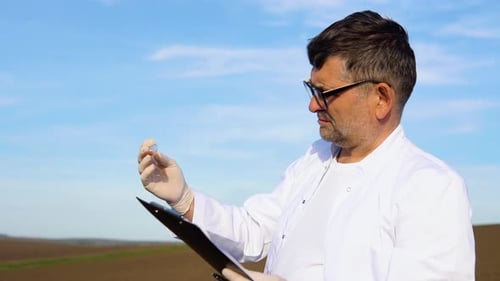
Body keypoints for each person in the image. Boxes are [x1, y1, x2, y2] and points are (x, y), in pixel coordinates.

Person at [137, 10, 475, 281]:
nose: (313, 106)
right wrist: (185, 199)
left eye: (325, 93)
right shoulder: (313, 160)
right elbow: (256, 232)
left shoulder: (430, 188)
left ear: (381, 98)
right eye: (311, 90)